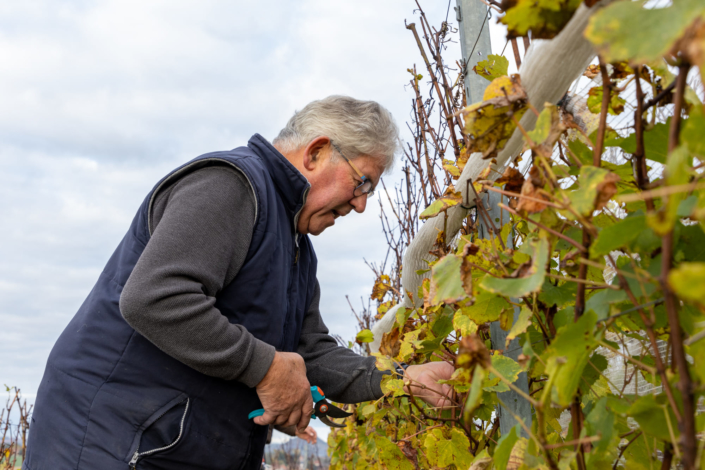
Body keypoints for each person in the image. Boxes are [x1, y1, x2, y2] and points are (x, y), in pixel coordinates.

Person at [24, 96, 454, 470]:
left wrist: (401, 378)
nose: (361, 205)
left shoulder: (296, 245)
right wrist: (266, 368)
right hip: (110, 444)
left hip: (166, 449)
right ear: (317, 152)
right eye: (362, 182)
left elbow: (309, 351)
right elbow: (155, 297)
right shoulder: (233, 185)